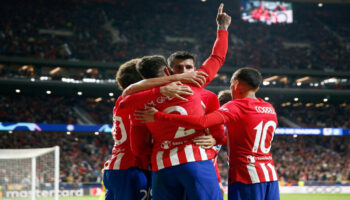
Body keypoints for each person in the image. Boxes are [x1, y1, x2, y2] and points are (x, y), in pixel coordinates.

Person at [136, 67, 280, 200]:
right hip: (270, 175)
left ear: (236, 84)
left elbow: (202, 122)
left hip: (247, 175)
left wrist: (158, 116)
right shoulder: (270, 108)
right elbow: (246, 137)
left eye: (230, 84)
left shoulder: (235, 106)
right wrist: (218, 140)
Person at [103, 58, 199, 200]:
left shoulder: (124, 102)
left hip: (118, 167)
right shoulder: (136, 100)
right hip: (133, 168)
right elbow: (141, 147)